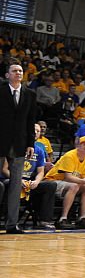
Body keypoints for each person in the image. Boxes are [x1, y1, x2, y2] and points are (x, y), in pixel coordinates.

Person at [1, 62, 37, 234]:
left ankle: (11, 224)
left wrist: (31, 143)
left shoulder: (30, 94)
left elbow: (31, 121)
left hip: (20, 143)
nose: (18, 73)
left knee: (16, 185)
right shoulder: (0, 90)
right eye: (14, 71)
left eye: (21, 71)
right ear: (7, 75)